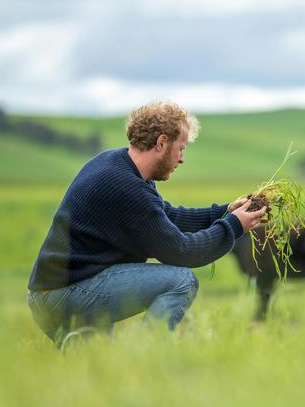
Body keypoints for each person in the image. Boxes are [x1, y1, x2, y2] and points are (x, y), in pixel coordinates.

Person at [27, 101, 266, 348]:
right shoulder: (128, 188)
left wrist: (226, 211)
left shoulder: (117, 165)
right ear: (161, 143)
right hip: (66, 294)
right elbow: (182, 252)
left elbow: (166, 217)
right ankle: (144, 354)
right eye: (180, 149)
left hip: (54, 292)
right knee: (182, 281)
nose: (182, 159)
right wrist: (234, 226)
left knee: (94, 371)